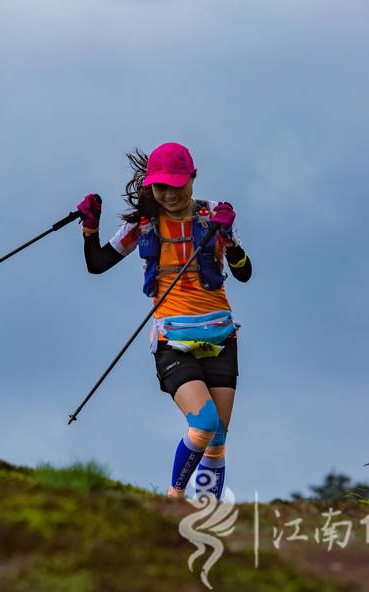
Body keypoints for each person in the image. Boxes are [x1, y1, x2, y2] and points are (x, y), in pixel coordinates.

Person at [76, 142, 252, 500]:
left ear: (192, 178)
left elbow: (244, 272)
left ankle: (206, 513)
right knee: (204, 425)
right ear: (151, 186)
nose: (170, 194)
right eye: (161, 187)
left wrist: (230, 240)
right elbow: (97, 264)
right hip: (173, 340)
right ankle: (174, 500)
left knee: (217, 439)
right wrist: (90, 227)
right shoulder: (143, 226)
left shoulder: (215, 216)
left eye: (176, 185)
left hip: (221, 336)